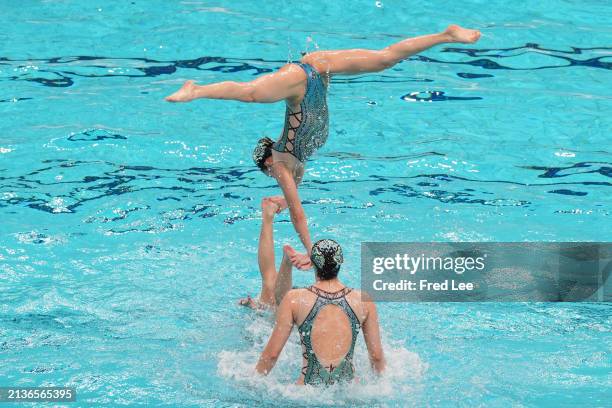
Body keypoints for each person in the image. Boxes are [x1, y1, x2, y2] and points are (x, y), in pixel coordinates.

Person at [166, 25, 481, 269]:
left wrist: (309, 249)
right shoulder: (295, 164)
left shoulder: (281, 165)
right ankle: (446, 35)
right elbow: (293, 200)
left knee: (251, 93)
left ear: (267, 164)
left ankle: (196, 90)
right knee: (385, 59)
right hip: (317, 67)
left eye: (269, 173)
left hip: (298, 84)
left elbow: (298, 212)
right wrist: (282, 204)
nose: (275, 176)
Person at [243, 217, 386, 385]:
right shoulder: (364, 300)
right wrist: (381, 386)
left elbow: (272, 355)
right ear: (341, 263)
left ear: (312, 264)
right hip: (348, 390)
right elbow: (376, 357)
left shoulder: (294, 298)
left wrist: (250, 381)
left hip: (306, 392)